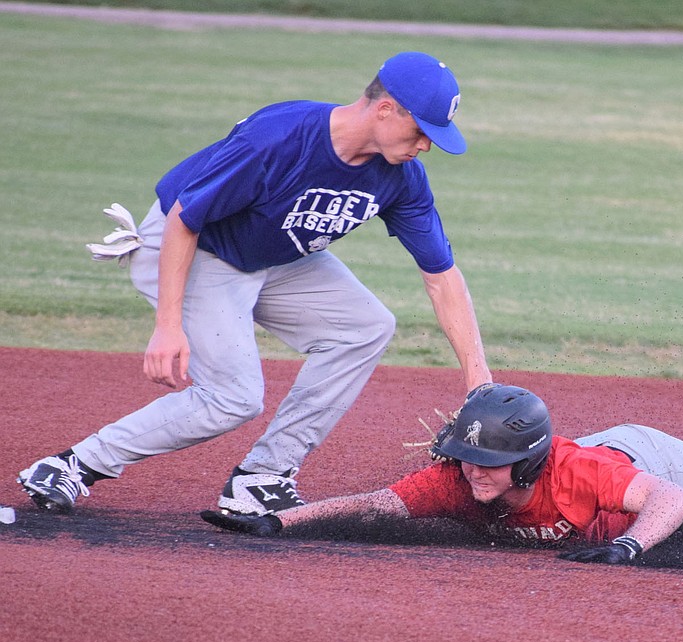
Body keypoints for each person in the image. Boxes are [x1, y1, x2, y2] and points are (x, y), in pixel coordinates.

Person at [17, 52, 492, 516]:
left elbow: (442, 277)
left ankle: (263, 476)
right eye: (422, 131)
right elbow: (185, 218)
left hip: (273, 254)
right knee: (233, 397)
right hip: (195, 248)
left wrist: (478, 382)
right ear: (386, 109)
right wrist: (168, 324)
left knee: (365, 327)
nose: (425, 145)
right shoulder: (278, 138)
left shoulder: (402, 178)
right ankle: (72, 465)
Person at [200, 384, 683, 565]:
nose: (473, 472)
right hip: (618, 479)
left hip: (652, 464)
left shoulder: (578, 470)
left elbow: (671, 496)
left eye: (489, 461)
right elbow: (375, 505)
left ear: (528, 461)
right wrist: (279, 521)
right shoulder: (457, 478)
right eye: (467, 456)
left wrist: (630, 543)